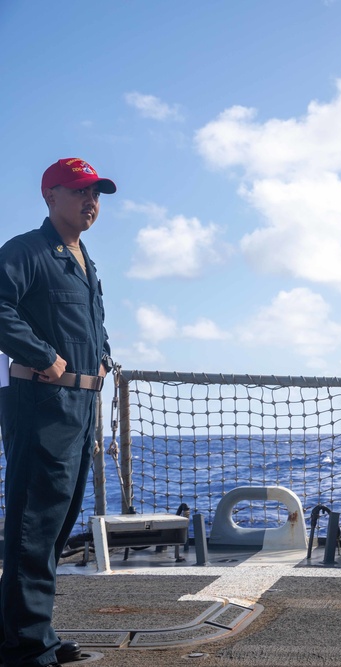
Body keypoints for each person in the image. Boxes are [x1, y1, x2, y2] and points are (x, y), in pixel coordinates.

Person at [0, 158, 117, 667]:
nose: (91, 202)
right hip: (42, 405)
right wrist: (43, 355)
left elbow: (89, 323)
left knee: (56, 524)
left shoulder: (83, 259)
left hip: (80, 406)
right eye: (80, 192)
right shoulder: (27, 251)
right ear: (50, 197)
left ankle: (32, 635)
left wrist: (104, 354)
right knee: (33, 527)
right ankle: (26, 649)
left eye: (96, 194)